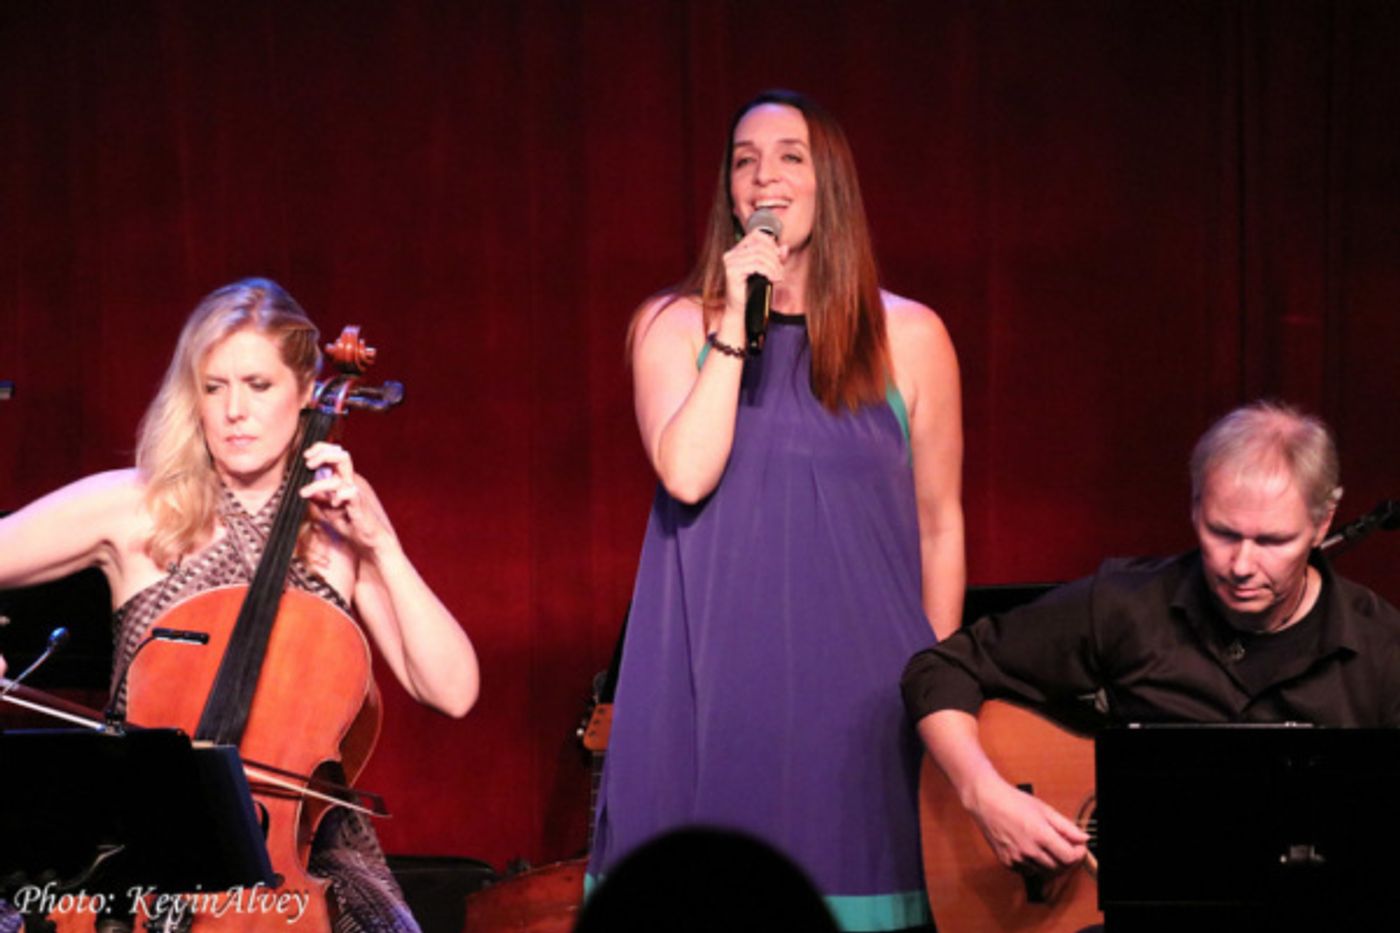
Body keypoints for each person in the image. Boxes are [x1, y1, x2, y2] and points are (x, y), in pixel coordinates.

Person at [588, 89, 964, 932]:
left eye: (791, 155)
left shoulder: (911, 336)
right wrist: (734, 322)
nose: (767, 176)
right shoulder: (672, 325)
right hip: (709, 688)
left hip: (864, 702)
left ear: (831, 180)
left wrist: (937, 692)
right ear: (727, 190)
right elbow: (686, 472)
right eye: (745, 160)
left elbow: (941, 524)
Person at [0, 277, 479, 933]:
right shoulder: (135, 507)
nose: (234, 410)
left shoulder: (336, 526)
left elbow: (453, 690)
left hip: (308, 857)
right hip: (138, 835)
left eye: (258, 385)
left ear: (308, 391)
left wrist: (383, 547)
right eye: (213, 386)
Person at [902, 399, 1400, 880]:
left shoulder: (1381, 650)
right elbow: (939, 670)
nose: (1242, 566)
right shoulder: (1128, 606)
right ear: (1195, 505)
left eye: (1273, 541)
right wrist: (985, 797)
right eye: (1222, 533)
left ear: (1323, 523)